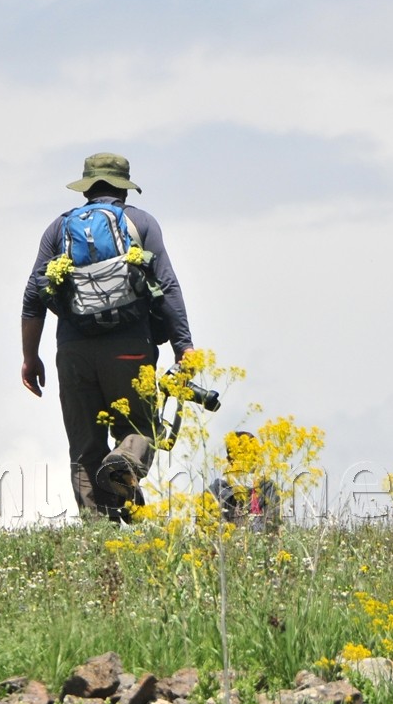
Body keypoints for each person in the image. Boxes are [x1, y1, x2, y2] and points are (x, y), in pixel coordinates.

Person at [21, 153, 194, 523]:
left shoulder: (59, 229)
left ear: (87, 187)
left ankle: (99, 532)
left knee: (85, 448)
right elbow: (167, 285)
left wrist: (29, 357)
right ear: (123, 187)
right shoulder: (141, 223)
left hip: (73, 351)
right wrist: (184, 347)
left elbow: (32, 298)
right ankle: (126, 460)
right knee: (139, 430)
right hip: (130, 349)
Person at [210, 431, 279, 532]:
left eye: (254, 455)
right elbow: (206, 530)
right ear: (230, 460)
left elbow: (273, 526)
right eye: (245, 456)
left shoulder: (267, 488)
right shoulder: (216, 490)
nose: (253, 461)